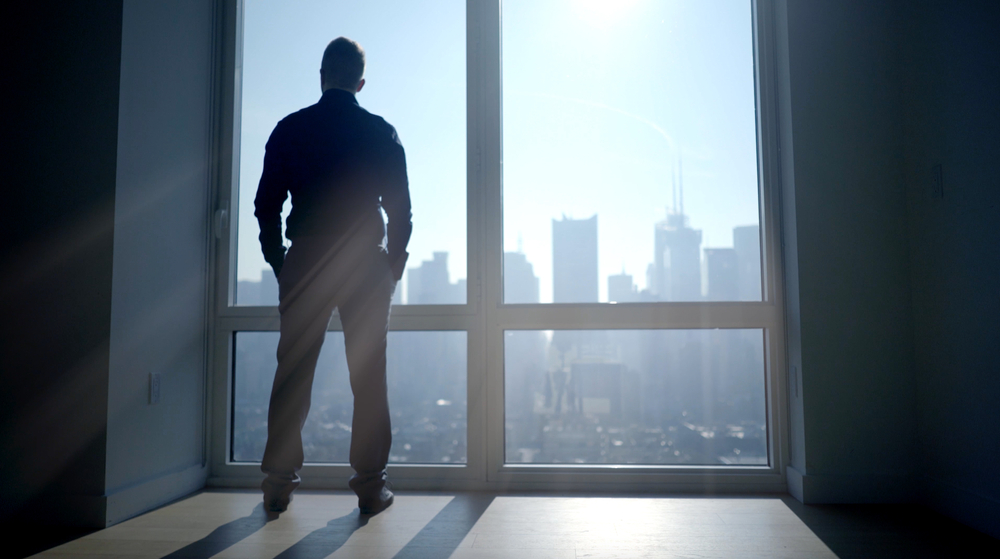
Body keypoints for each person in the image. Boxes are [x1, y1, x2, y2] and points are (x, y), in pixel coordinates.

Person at [254, 36, 410, 516]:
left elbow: (266, 206)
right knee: (368, 376)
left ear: (321, 75)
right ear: (361, 82)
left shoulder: (290, 129)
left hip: (308, 259)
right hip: (365, 262)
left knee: (294, 373)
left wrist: (281, 260)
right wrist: (393, 263)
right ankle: (369, 487)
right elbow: (400, 208)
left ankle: (278, 486)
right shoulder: (380, 132)